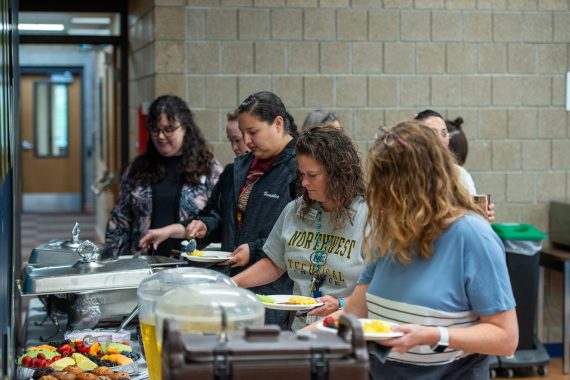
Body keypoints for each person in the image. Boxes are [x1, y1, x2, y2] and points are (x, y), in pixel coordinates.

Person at [322, 121, 518, 379]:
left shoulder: (472, 236)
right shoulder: (390, 231)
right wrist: (305, 337)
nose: (379, 196)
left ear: (420, 185)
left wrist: (437, 335)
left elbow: (505, 337)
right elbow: (354, 312)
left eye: (388, 186)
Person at [142, 91, 298, 328]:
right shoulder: (240, 167)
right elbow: (217, 213)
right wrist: (205, 226)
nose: (246, 142)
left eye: (252, 133)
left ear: (278, 124)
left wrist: (254, 250)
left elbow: (298, 236)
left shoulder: (299, 169)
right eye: (242, 134)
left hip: (276, 295)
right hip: (234, 288)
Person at [233, 126, 367, 330]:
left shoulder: (369, 217)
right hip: (301, 329)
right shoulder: (295, 210)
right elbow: (275, 263)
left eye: (312, 175)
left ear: (338, 174)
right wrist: (232, 284)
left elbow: (378, 292)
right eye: (301, 174)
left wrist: (341, 303)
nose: (304, 182)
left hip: (347, 331)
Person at [105, 95, 223, 257]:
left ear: (185, 129)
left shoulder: (209, 169)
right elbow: (119, 220)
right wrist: (115, 262)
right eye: (155, 129)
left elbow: (218, 217)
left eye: (168, 129)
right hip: (144, 263)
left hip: (192, 267)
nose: (160, 136)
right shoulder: (137, 169)